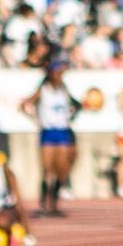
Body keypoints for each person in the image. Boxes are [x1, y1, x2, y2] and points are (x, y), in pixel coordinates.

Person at [30, 66, 80, 215]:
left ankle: (55, 203)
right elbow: (27, 103)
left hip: (62, 131)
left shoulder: (64, 90)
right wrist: (37, 119)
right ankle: (45, 202)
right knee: (47, 170)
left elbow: (76, 105)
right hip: (48, 131)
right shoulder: (43, 90)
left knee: (61, 169)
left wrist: (71, 117)